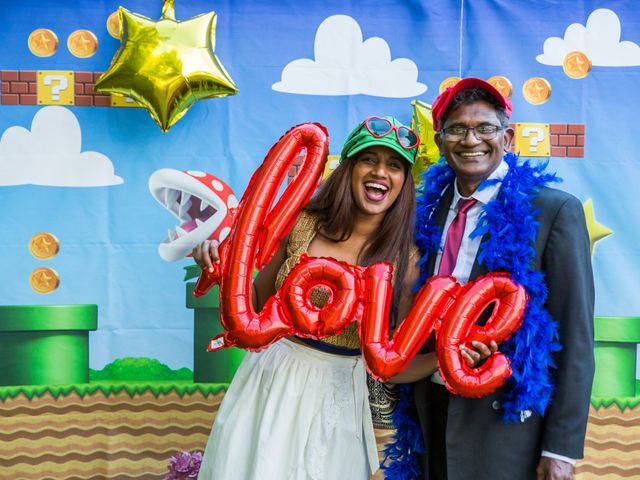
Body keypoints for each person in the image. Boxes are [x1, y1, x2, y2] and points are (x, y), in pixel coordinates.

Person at [194, 116, 494, 480]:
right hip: (272, 382)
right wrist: (222, 267)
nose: (381, 172)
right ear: (349, 167)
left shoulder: (407, 258)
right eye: (370, 159)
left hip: (341, 399)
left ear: (404, 182)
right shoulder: (303, 222)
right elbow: (254, 305)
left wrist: (448, 357)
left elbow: (392, 363)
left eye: (394, 165)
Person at [413, 78, 595, 480]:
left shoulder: (553, 212)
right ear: (441, 141)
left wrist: (560, 449)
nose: (470, 140)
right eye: (457, 129)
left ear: (507, 137)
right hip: (432, 412)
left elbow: (576, 338)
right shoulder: (425, 212)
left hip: (507, 425)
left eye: (485, 128)